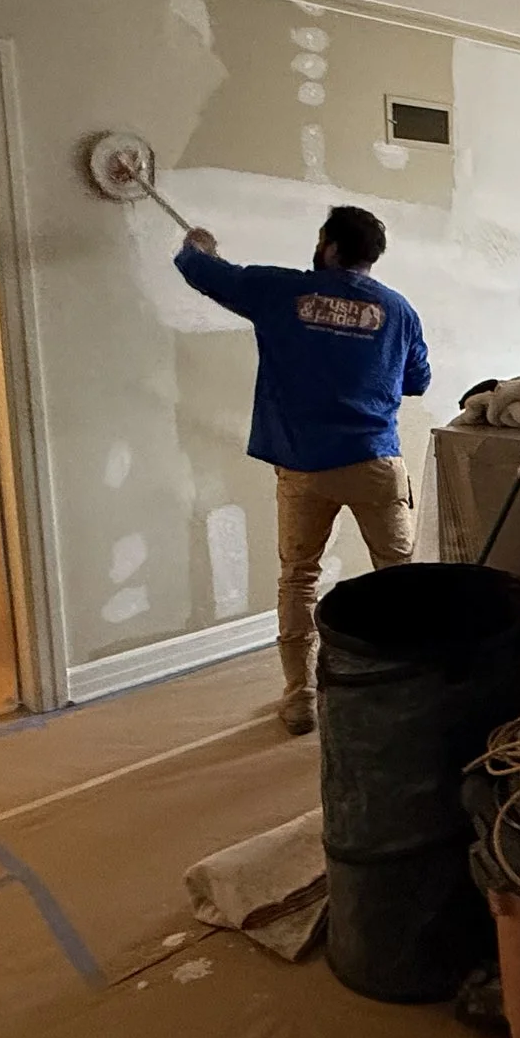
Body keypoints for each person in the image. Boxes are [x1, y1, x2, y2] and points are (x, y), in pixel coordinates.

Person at [175, 206, 431, 734]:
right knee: (401, 580)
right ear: (370, 257)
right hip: (374, 462)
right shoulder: (398, 310)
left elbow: (204, 273)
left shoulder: (281, 292)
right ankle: (411, 687)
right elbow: (417, 382)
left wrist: (198, 246)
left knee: (298, 578)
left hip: (303, 466)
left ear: (330, 247)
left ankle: (299, 697)